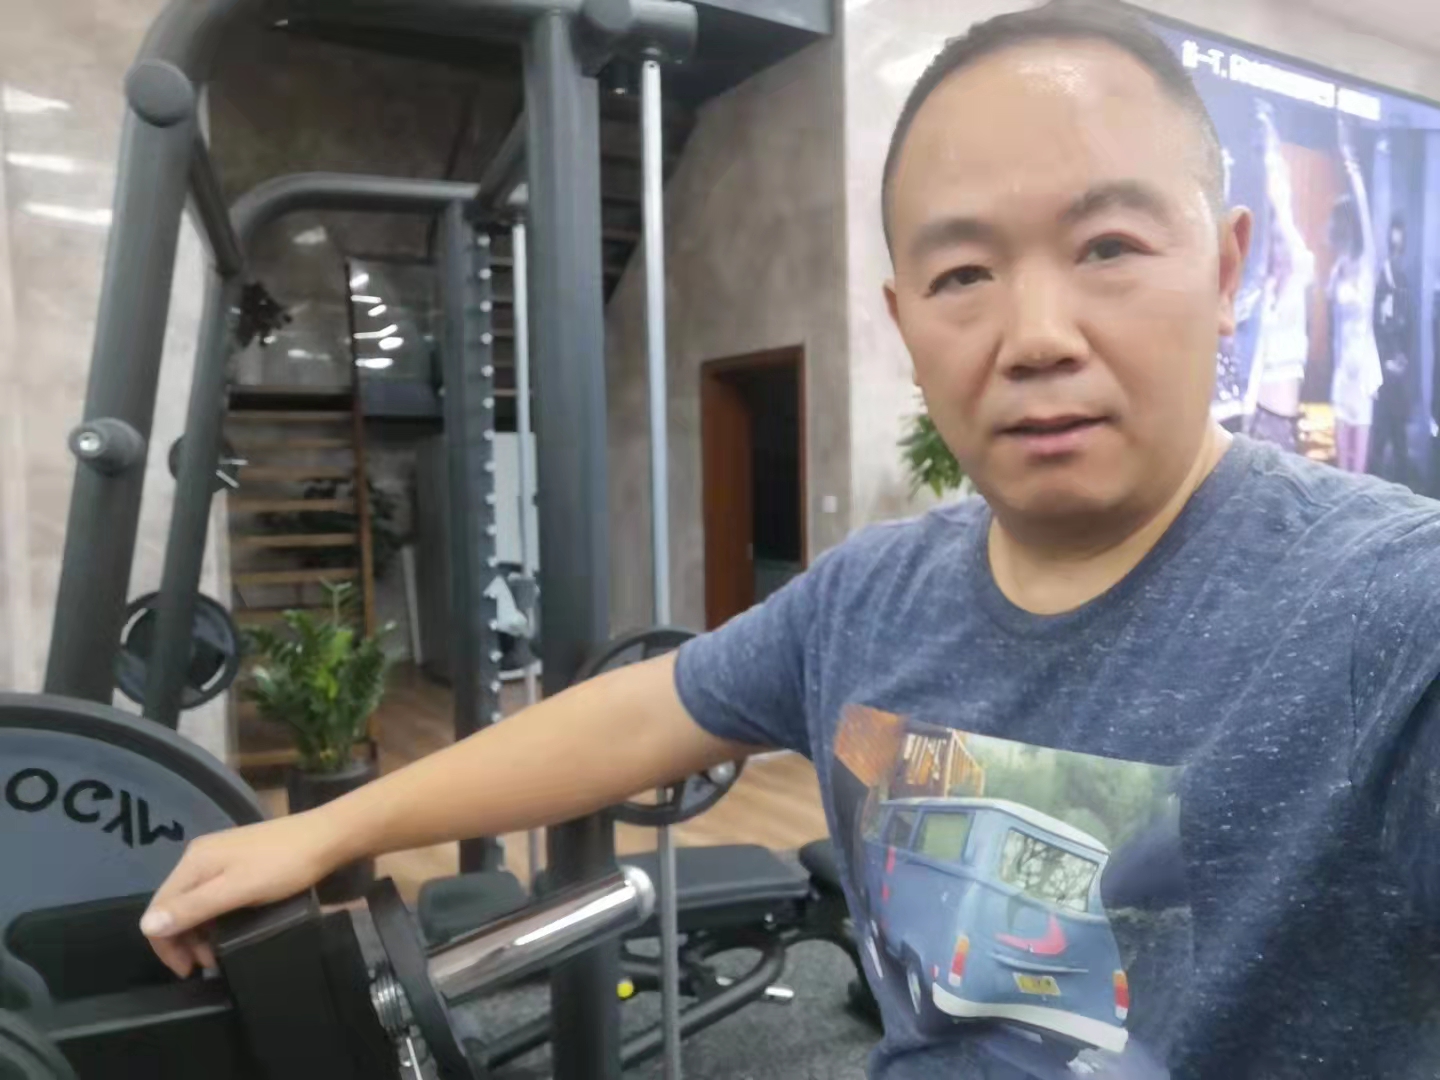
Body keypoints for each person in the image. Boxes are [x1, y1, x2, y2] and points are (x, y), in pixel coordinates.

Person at [143, 4, 1440, 1078]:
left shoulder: (1388, 612)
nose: (1037, 335)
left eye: (1108, 245)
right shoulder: (871, 596)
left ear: (1226, 272)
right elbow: (644, 710)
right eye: (964, 275)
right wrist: (326, 831)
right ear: (903, 319)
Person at [1242, 101, 1315, 452]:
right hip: (1253, 419)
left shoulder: (1301, 268)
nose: (1277, 245)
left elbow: (1282, 206)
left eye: (1282, 239)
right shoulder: (1262, 288)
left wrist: (1271, 148)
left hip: (1281, 425)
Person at [1328, 116, 1384, 473]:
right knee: (1339, 462)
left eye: (1345, 222)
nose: (1342, 229)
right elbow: (1335, 330)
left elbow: (1364, 214)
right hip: (1342, 372)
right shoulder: (1337, 269)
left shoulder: (1366, 265)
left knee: (1357, 468)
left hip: (1362, 372)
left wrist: (1352, 167)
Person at [1370, 214, 1417, 486]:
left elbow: (1409, 325)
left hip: (1397, 373)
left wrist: (1403, 358)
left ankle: (1401, 485)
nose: (1396, 254)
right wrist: (1383, 359)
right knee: (1379, 437)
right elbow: (1373, 326)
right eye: (1393, 247)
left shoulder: (1404, 281)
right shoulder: (1379, 281)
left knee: (1398, 436)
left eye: (1400, 248)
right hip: (1379, 370)